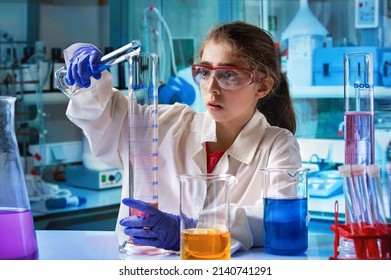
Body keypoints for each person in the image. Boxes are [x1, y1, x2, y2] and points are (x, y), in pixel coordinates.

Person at [63, 21, 302, 254]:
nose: (212, 87)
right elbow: (102, 116)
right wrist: (88, 81)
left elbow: (278, 219)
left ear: (262, 87)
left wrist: (191, 229)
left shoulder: (277, 145)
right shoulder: (164, 124)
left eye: (229, 74)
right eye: (205, 72)